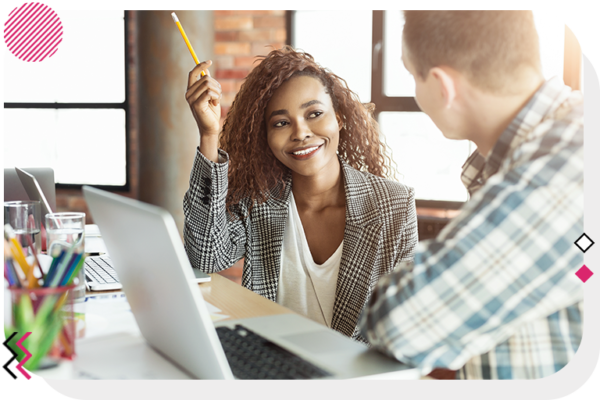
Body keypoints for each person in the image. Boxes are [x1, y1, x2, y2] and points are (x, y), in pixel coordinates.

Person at [359, 10, 584, 379]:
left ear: (442, 86)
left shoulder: (565, 168)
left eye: (412, 75)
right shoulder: (538, 152)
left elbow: (400, 322)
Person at [183, 46, 418, 343]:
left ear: (340, 118)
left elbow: (406, 324)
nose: (300, 132)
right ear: (265, 137)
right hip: (271, 369)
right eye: (281, 122)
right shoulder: (259, 199)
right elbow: (204, 259)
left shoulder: (394, 205)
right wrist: (208, 134)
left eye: (314, 114)